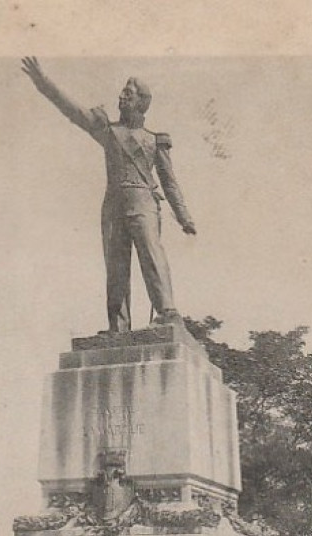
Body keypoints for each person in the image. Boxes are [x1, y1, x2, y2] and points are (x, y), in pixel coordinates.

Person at [20, 57, 196, 333]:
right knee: (116, 268)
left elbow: (170, 182)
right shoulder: (108, 130)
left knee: (151, 255)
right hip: (113, 205)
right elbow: (72, 110)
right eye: (122, 93)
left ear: (142, 102)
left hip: (143, 203)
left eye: (128, 94)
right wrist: (43, 82)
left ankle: (168, 312)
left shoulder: (154, 140)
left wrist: (184, 215)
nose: (121, 97)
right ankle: (118, 326)